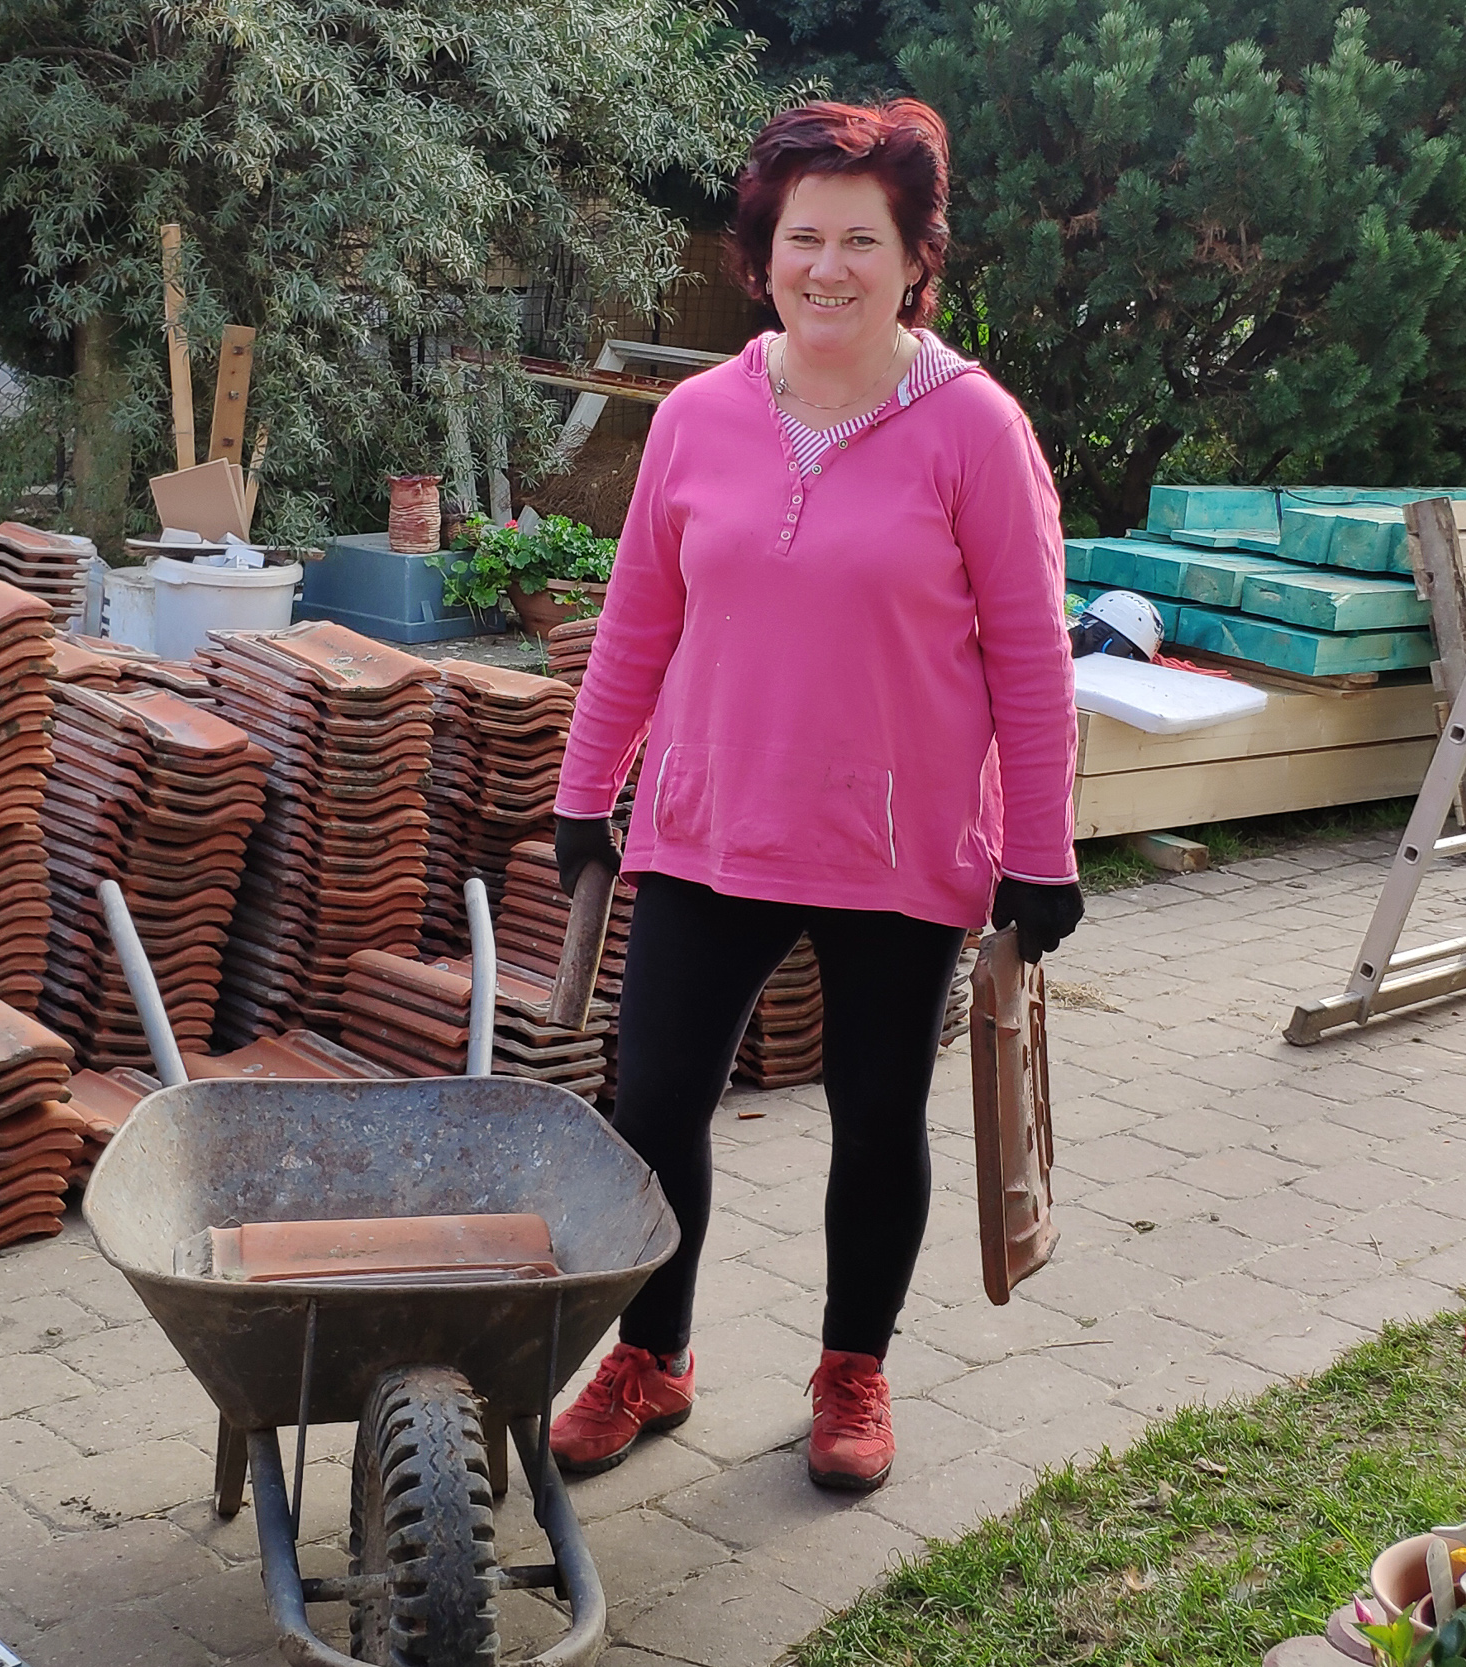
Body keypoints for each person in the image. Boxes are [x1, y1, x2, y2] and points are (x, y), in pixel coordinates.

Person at [545, 98, 1084, 1493]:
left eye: (862, 240)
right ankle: (652, 1356)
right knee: (653, 1104)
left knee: (876, 1114)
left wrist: (1042, 850)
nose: (828, 267)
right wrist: (584, 791)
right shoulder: (697, 419)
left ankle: (854, 1371)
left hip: (896, 843)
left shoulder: (975, 430)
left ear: (915, 260)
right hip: (710, 827)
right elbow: (636, 623)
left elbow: (1031, 658)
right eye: (803, 239)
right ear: (761, 254)